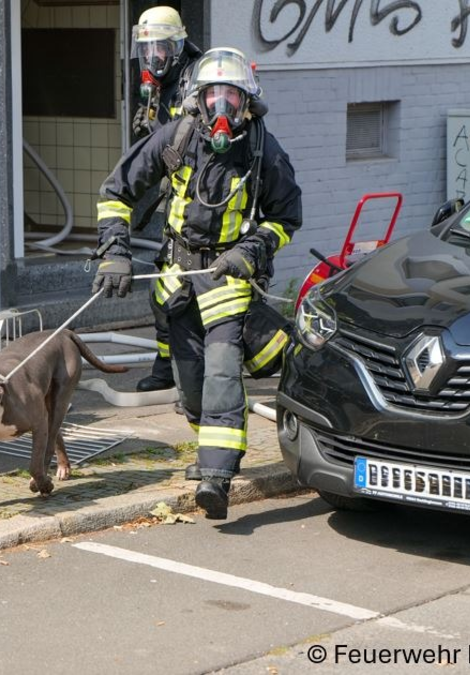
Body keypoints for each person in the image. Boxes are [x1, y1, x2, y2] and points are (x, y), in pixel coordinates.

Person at [93, 47, 303, 518]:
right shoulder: (177, 136)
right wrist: (115, 254)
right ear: (198, 99)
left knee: (224, 377)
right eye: (214, 95)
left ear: (247, 101)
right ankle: (208, 446)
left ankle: (217, 478)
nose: (222, 106)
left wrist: (249, 251)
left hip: (227, 280)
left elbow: (286, 218)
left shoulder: (263, 151)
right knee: (191, 388)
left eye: (231, 94)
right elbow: (116, 191)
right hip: (177, 279)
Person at [129, 6, 202, 394]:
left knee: (178, 297)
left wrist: (159, 134)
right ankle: (169, 366)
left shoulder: (197, 81)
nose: (153, 57)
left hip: (204, 208)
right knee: (164, 294)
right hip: (178, 204)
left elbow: (195, 146)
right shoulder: (164, 81)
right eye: (147, 49)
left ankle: (186, 372)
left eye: (160, 48)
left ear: (177, 45)